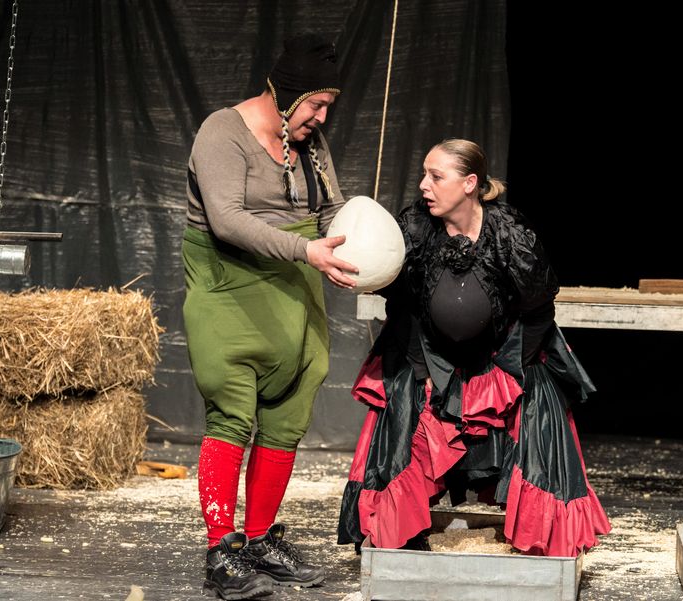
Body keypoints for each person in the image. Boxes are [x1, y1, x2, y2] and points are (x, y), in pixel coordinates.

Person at [337, 139, 611, 557]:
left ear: (469, 183)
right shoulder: (414, 229)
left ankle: (539, 534)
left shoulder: (509, 234)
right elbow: (402, 309)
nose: (424, 185)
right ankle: (399, 532)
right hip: (428, 352)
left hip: (504, 353)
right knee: (406, 401)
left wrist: (509, 369)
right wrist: (424, 370)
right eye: (424, 174)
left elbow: (539, 310)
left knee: (537, 402)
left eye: (436, 176)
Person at [183, 33, 357, 599]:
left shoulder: (310, 143)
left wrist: (370, 242)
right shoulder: (222, 131)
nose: (322, 117)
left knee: (288, 413)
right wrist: (306, 249)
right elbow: (228, 219)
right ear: (287, 94)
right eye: (315, 104)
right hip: (231, 286)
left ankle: (259, 539)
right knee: (232, 412)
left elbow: (331, 210)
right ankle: (222, 550)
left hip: (294, 292)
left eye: (327, 106)